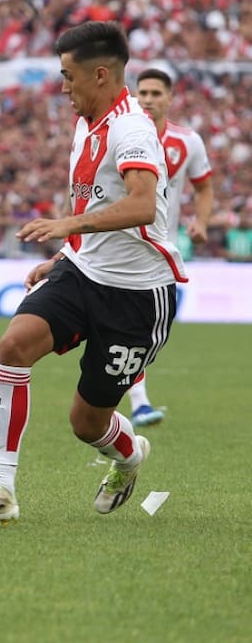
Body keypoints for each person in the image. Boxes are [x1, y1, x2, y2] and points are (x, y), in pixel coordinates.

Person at [0, 21, 186, 524]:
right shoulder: (88, 119)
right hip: (83, 271)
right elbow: (98, 200)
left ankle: (129, 456)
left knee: (87, 422)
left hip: (138, 294)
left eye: (68, 77)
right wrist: (65, 252)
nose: (63, 88)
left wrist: (68, 223)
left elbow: (142, 205)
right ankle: (2, 488)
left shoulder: (131, 128)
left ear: (100, 75)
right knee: (13, 346)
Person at [124, 68, 214, 426]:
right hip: (120, 246)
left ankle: (127, 396)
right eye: (142, 93)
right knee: (129, 326)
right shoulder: (123, 133)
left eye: (155, 93)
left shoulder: (187, 142)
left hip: (162, 249)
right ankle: (139, 402)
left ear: (169, 98)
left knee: (145, 331)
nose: (148, 99)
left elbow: (204, 187)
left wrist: (202, 222)